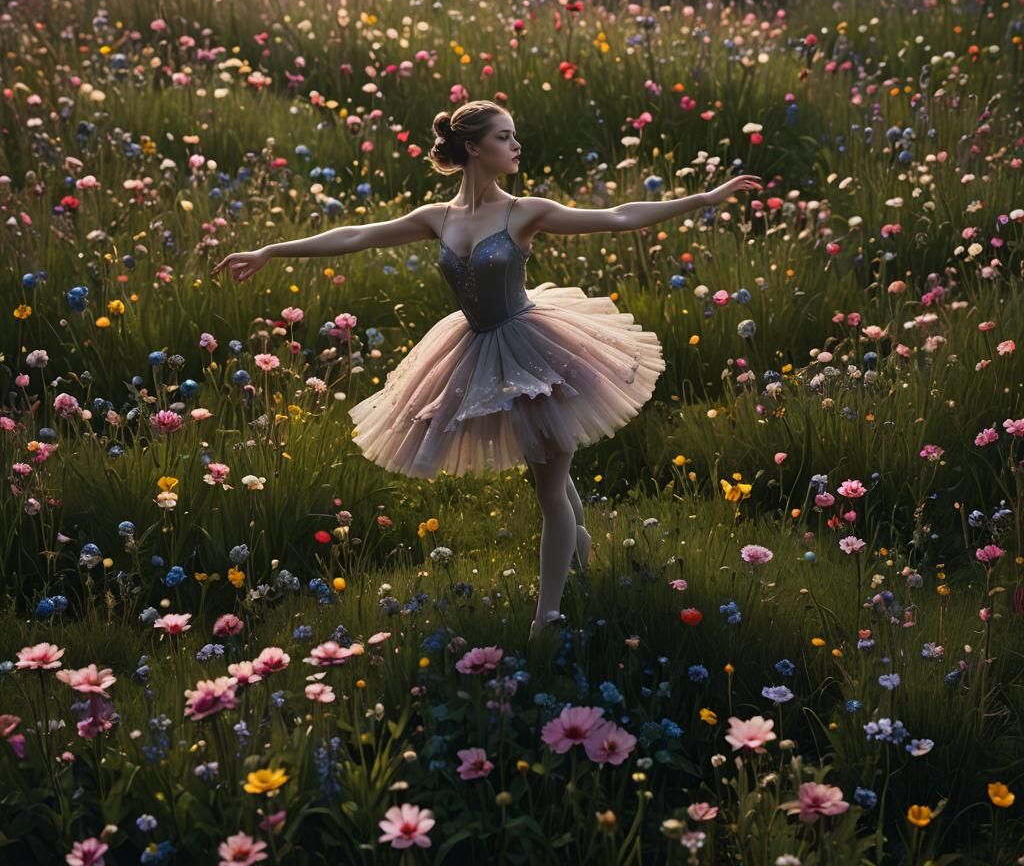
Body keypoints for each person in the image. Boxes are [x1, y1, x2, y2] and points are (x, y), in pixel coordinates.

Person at [212, 99, 762, 642]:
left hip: (539, 349)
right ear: (473, 148)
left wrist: (704, 197)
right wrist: (271, 250)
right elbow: (355, 235)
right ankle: (580, 551)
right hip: (475, 349)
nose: (516, 146)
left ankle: (547, 619)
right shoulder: (437, 218)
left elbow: (618, 217)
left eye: (514, 135)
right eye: (504, 137)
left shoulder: (524, 212)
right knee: (547, 468)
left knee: (549, 489)